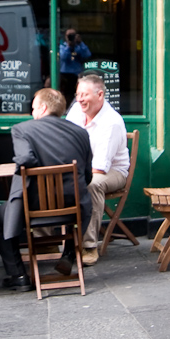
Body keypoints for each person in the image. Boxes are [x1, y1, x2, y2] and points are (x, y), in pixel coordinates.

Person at [0, 88, 92, 291]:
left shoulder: (22, 129)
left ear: (43, 108)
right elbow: (87, 175)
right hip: (75, 207)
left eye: (34, 108)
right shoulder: (81, 132)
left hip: (35, 208)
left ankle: (18, 274)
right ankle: (69, 253)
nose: (32, 113)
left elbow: (26, 159)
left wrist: (23, 168)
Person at [66, 73, 129, 266]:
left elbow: (100, 169)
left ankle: (89, 245)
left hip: (113, 173)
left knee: (93, 184)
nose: (80, 99)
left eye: (84, 95)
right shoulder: (76, 110)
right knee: (47, 177)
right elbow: (64, 140)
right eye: (78, 94)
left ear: (100, 95)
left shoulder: (111, 122)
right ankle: (48, 243)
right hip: (82, 169)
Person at [59, 27, 91, 106]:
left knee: (77, 93)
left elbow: (87, 55)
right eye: (69, 35)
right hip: (65, 74)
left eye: (73, 35)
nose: (71, 37)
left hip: (76, 74)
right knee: (65, 94)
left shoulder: (79, 46)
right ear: (65, 36)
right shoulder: (63, 46)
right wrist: (69, 46)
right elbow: (63, 57)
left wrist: (80, 43)